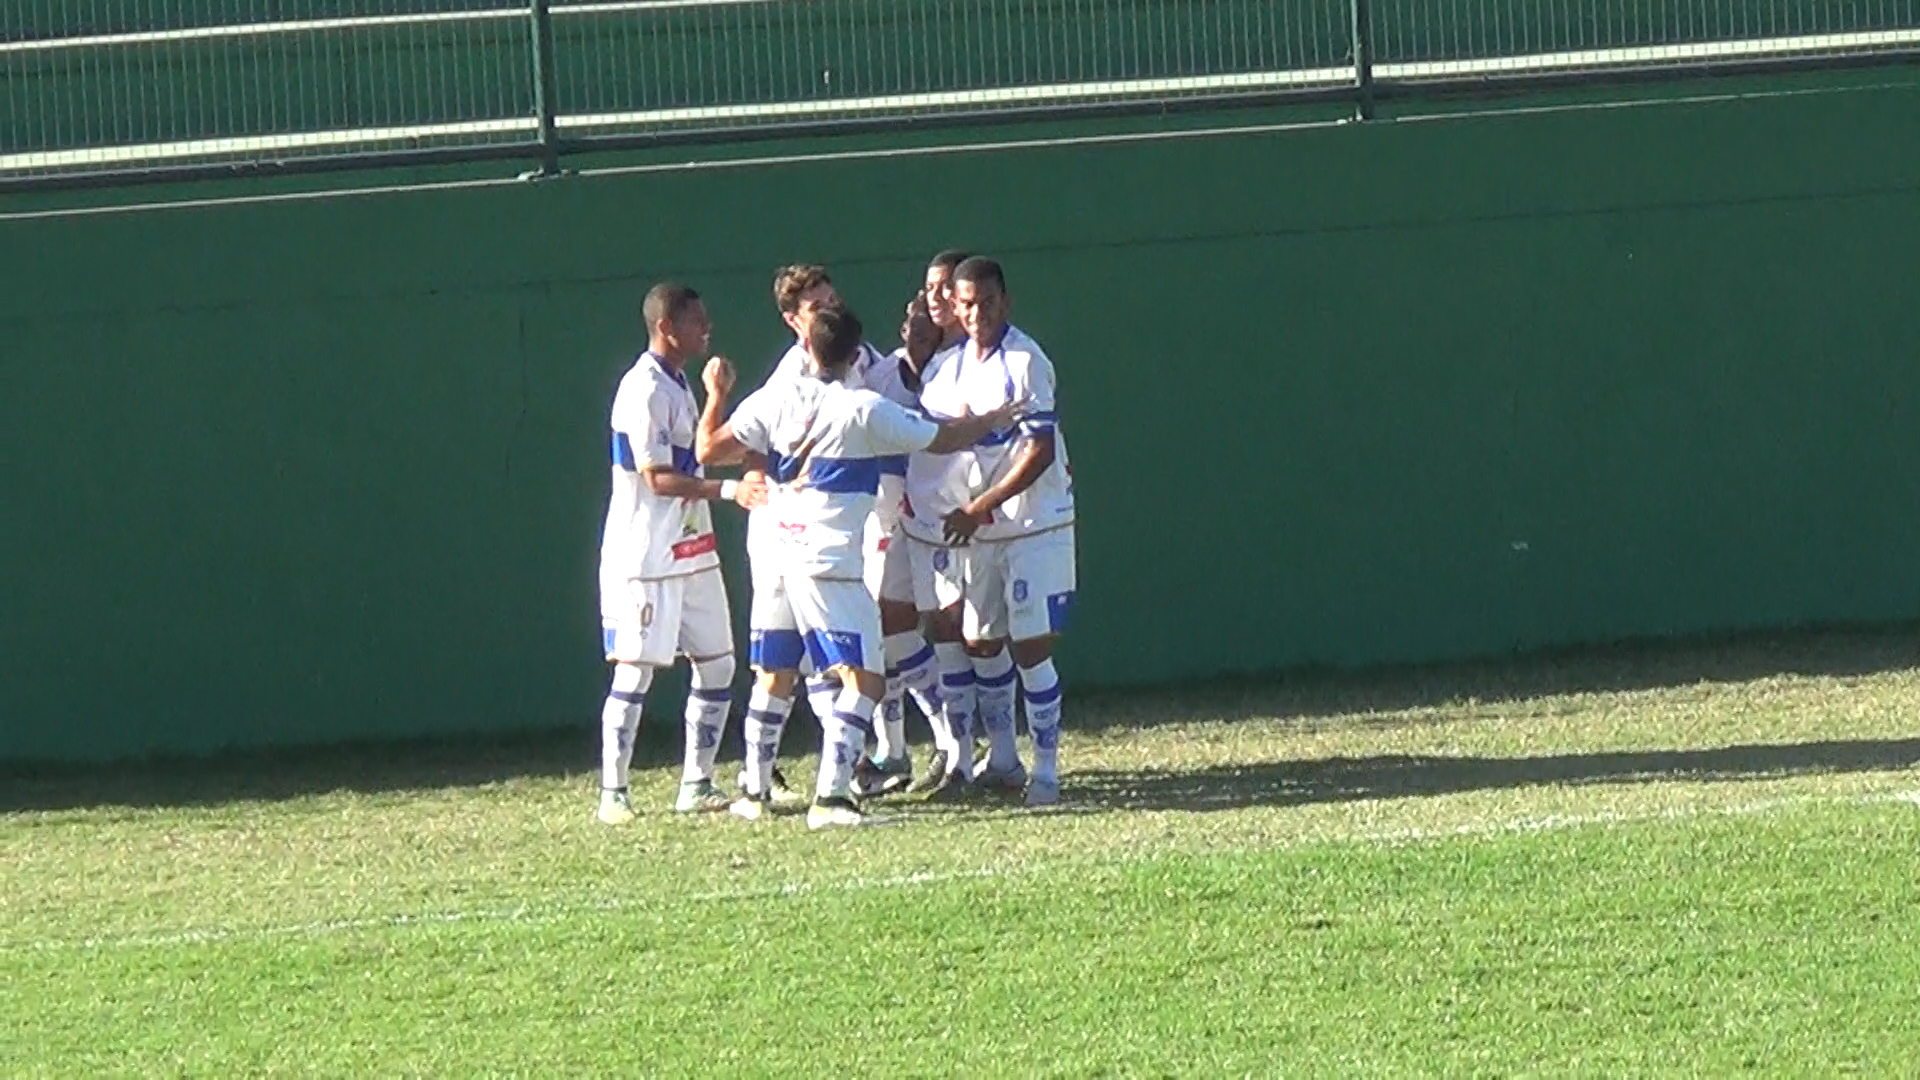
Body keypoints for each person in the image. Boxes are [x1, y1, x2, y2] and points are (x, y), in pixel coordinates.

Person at [696, 304, 1016, 828]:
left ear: (808, 348)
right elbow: (944, 437)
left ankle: (753, 791)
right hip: (830, 560)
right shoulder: (863, 408)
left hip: (777, 552)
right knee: (864, 682)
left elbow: (708, 447)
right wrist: (995, 419)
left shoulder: (776, 397)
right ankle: (833, 797)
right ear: (855, 356)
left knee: (774, 675)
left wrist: (714, 394)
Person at [595, 284, 767, 826]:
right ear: (667, 327)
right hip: (646, 557)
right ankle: (613, 793)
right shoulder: (642, 389)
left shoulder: (680, 384)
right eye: (696, 321)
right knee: (635, 672)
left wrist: (716, 395)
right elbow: (657, 478)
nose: (707, 329)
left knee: (719, 663)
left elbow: (695, 453)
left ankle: (696, 782)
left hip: (694, 550)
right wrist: (727, 491)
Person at [922, 257, 1076, 806]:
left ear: (1004, 302)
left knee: (1031, 647)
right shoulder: (947, 370)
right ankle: (1003, 759)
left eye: (986, 302)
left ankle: (1048, 771)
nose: (976, 313)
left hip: (1033, 524)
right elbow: (933, 444)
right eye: (966, 303)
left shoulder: (1027, 360)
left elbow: (1039, 450)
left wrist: (980, 506)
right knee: (982, 643)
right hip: (978, 530)